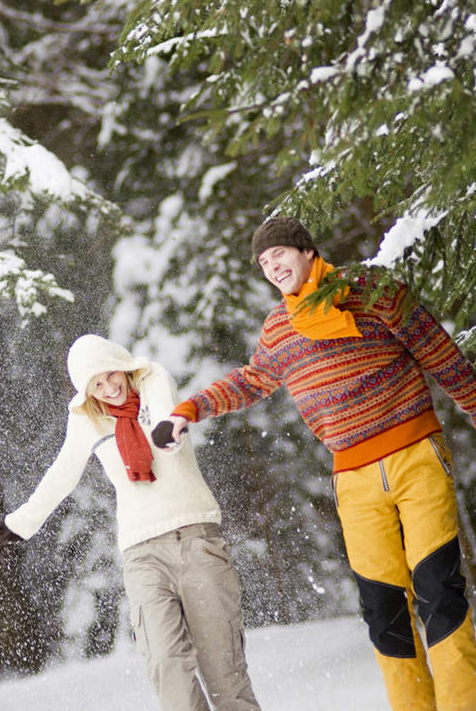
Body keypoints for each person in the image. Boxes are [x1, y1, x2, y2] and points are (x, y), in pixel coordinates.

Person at [155, 216, 476, 711]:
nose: (272, 266)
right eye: (263, 263)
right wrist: (188, 410)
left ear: (306, 250)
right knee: (383, 610)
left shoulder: (370, 291)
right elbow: (250, 380)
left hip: (416, 455)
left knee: (440, 593)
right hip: (353, 478)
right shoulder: (280, 328)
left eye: (278, 253)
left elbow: (441, 354)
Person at [0, 334, 261, 711]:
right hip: (142, 553)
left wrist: (168, 432)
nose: (108, 387)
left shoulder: (152, 381)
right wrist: (22, 522)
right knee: (167, 666)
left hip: (197, 537)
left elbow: (167, 415)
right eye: (96, 384)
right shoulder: (87, 419)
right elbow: (62, 474)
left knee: (224, 672)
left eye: (110, 374)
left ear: (123, 366)